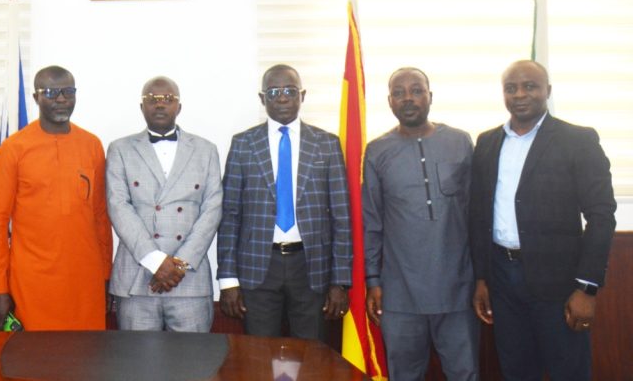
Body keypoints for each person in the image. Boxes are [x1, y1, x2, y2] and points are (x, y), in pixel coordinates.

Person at [470, 60, 616, 381]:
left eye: (530, 86)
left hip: (559, 285)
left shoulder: (577, 140)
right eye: (511, 88)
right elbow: (480, 215)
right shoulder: (487, 142)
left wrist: (587, 288)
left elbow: (601, 215)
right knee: (517, 371)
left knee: (569, 372)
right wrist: (481, 278)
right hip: (502, 280)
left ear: (547, 91)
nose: (520, 94)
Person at [217, 64, 351, 340]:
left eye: (289, 91)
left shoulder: (326, 144)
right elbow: (230, 215)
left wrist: (340, 281)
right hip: (257, 267)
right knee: (259, 354)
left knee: (311, 354)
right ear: (262, 98)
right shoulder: (243, 144)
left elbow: (341, 217)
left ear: (302, 95)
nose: (281, 98)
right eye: (273, 92)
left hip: (312, 267)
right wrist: (228, 279)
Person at [362, 68, 478, 381]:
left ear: (430, 96)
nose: (408, 98)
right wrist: (372, 280)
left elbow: (477, 215)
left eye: (416, 90)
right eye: (399, 93)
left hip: (457, 289)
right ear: (389, 101)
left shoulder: (460, 142)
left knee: (465, 373)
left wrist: (482, 278)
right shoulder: (377, 151)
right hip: (400, 294)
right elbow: (371, 222)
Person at [0, 65, 113, 331]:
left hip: (84, 281)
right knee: (36, 355)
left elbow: (101, 216)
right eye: (51, 93)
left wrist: (105, 274)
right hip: (32, 282)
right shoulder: (14, 149)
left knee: (86, 353)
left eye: (68, 92)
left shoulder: (92, 145)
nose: (61, 99)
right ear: (36, 97)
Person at [106, 76, 223, 332]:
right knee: (138, 358)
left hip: (189, 280)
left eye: (168, 99)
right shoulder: (120, 149)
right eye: (152, 99)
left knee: (192, 358)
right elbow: (119, 207)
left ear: (179, 107)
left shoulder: (206, 150)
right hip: (137, 278)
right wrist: (155, 261)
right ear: (142, 107)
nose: (160, 104)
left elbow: (212, 209)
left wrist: (178, 265)